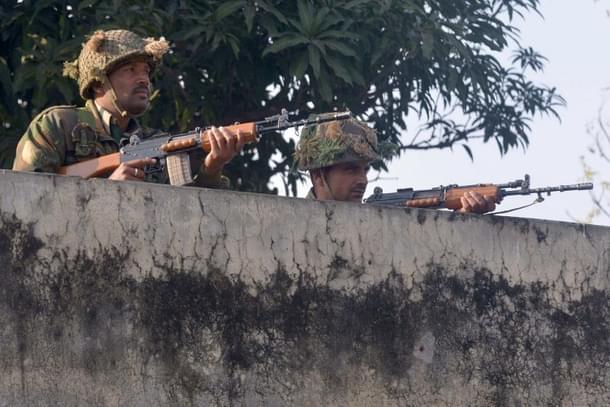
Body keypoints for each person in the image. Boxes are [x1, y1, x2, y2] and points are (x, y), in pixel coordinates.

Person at [13, 29, 244, 187]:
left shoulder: (157, 141)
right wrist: (106, 191)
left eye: (146, 71)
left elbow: (187, 215)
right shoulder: (59, 125)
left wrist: (213, 167)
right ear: (99, 81)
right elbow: (26, 196)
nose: (144, 79)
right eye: (130, 70)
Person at [293, 118, 496, 213]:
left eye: (365, 170)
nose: (363, 180)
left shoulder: (378, 220)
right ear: (318, 176)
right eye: (351, 169)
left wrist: (464, 218)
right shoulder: (294, 221)